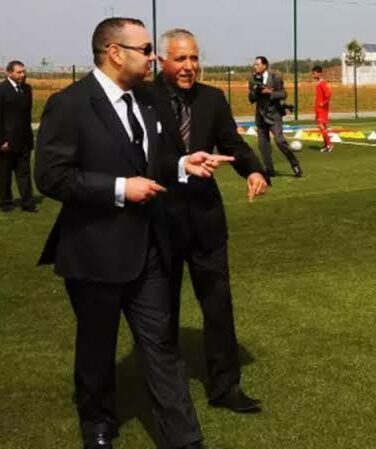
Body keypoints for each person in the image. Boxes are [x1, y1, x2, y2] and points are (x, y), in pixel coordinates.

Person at [35, 17, 232, 449]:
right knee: (97, 347)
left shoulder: (147, 101)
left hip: (150, 250)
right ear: (114, 53)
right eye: (145, 50)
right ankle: (98, 425)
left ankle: (184, 439)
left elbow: (150, 162)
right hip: (93, 252)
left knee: (161, 346)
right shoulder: (70, 104)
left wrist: (181, 164)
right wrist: (120, 189)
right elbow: (50, 176)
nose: (154, 58)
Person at [152, 28, 267, 413]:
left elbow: (231, 143)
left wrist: (253, 169)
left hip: (205, 219)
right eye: (180, 59)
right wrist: (179, 165)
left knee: (218, 304)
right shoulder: (144, 98)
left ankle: (226, 387)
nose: (190, 66)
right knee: (162, 310)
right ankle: (166, 391)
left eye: (194, 58)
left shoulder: (212, 98)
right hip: (160, 219)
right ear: (162, 61)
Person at [248, 56, 302, 178]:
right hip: (260, 116)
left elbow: (283, 94)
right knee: (263, 145)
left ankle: (295, 164)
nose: (255, 66)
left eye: (257, 64)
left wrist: (270, 93)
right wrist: (256, 92)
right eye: (254, 64)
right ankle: (269, 170)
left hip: (274, 114)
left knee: (280, 141)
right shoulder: (252, 79)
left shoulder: (275, 77)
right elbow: (251, 99)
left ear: (265, 65)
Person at [0, 60, 38, 212]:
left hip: (24, 140)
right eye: (19, 72)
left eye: (23, 71)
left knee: (24, 173)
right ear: (9, 73)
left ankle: (28, 203)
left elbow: (26, 116)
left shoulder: (27, 89)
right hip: (6, 142)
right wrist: (2, 140)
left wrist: (29, 138)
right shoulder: (2, 90)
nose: (23, 74)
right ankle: (5, 203)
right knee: (4, 175)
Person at [311, 65, 333, 152]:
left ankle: (329, 145)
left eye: (314, 73)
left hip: (322, 109)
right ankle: (326, 145)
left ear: (319, 73)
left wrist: (322, 103)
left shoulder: (323, 83)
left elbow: (328, 95)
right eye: (312, 73)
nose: (313, 75)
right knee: (322, 126)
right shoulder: (318, 83)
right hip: (318, 109)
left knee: (321, 126)